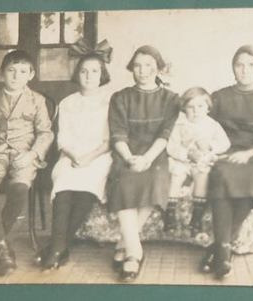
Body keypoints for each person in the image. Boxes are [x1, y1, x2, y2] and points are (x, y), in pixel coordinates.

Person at [0, 50, 53, 276]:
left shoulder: (37, 100)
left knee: (19, 190)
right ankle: (3, 248)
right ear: (1, 73)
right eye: (11, 71)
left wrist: (33, 154)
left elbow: (45, 133)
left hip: (24, 154)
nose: (16, 76)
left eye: (23, 71)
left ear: (31, 75)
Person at [203, 45, 253, 279]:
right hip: (226, 152)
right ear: (233, 68)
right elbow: (206, 129)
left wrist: (249, 154)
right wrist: (213, 150)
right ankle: (223, 251)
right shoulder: (219, 96)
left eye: (251, 65)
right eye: (239, 64)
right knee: (220, 174)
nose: (245, 70)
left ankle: (219, 248)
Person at [34, 39, 113, 270]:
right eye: (84, 71)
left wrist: (89, 158)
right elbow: (62, 138)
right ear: (77, 74)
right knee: (64, 180)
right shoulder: (67, 103)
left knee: (88, 182)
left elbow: (109, 140)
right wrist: (72, 155)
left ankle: (56, 247)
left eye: (95, 71)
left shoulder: (111, 101)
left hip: (99, 156)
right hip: (71, 155)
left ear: (102, 74)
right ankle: (60, 247)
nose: (89, 75)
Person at [106, 45, 180, 282]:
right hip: (126, 151)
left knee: (155, 178)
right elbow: (118, 134)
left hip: (156, 153)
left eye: (149, 65)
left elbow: (166, 134)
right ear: (132, 68)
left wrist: (147, 158)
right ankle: (135, 253)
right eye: (138, 65)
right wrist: (129, 158)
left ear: (158, 67)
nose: (143, 70)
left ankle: (125, 244)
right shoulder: (120, 97)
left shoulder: (171, 99)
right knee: (125, 180)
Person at [164, 87, 230, 237]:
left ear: (208, 108)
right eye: (191, 107)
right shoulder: (179, 125)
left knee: (203, 176)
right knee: (176, 175)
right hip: (182, 160)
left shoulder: (212, 125)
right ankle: (170, 214)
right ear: (184, 109)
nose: (196, 111)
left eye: (200, 106)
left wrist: (211, 147)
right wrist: (186, 153)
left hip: (202, 160)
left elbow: (225, 143)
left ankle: (197, 217)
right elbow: (171, 146)